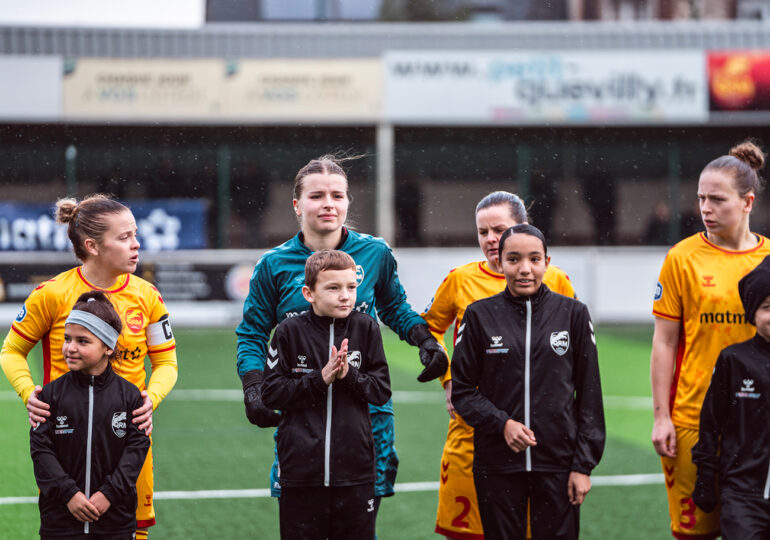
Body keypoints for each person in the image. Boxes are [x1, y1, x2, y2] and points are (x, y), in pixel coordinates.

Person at [235, 155, 447, 528]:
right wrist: (253, 387)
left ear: (348, 202)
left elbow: (395, 307)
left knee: (359, 525)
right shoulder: (273, 264)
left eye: (337, 195)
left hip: (366, 416)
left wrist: (425, 341)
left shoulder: (375, 253)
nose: (328, 203)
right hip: (302, 419)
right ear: (298, 205)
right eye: (317, 196)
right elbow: (252, 333)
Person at [1, 194, 178, 540]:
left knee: (129, 529)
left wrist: (150, 400)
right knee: (64, 527)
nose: (136, 244)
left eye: (135, 234)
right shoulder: (51, 294)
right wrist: (28, 393)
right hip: (67, 439)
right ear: (92, 245)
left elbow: (167, 362)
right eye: (124, 237)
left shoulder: (148, 296)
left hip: (127, 441)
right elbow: (11, 351)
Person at [423, 191, 575, 540]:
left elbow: (573, 346)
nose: (490, 239)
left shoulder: (556, 280)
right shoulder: (460, 280)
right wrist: (449, 378)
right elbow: (430, 327)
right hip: (472, 427)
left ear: (523, 227)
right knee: (467, 532)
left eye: (499, 229)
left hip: (537, 432)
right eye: (483, 232)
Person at [451, 224, 605, 540]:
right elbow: (463, 391)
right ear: (501, 263)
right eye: (514, 259)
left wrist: (582, 465)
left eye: (534, 259)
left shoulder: (573, 313)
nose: (525, 269)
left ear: (547, 262)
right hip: (496, 463)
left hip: (558, 465)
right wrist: (502, 423)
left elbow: (589, 393)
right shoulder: (479, 315)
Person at [651, 140, 770, 540]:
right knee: (694, 533)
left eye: (717, 200)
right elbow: (665, 342)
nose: (705, 208)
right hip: (693, 418)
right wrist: (661, 416)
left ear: (747, 202)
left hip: (758, 423)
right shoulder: (681, 258)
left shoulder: (769, 260)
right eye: (701, 198)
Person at [262, 250, 391, 540]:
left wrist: (349, 376)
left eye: (351, 287)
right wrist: (320, 379)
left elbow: (381, 391)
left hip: (355, 472)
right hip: (300, 472)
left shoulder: (366, 327)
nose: (345, 295)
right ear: (309, 293)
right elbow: (271, 394)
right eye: (333, 288)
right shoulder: (288, 331)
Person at [31, 291, 151, 540]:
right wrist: (69, 495)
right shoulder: (50, 395)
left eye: (82, 341)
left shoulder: (130, 396)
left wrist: (108, 494)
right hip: (60, 523)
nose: (70, 348)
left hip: (114, 523)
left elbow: (136, 449)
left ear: (108, 347)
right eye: (67, 339)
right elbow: (41, 451)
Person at [691, 255, 770, 539]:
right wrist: (705, 476)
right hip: (742, 493)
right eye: (767, 307)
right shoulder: (734, 360)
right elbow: (711, 422)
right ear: (752, 312)